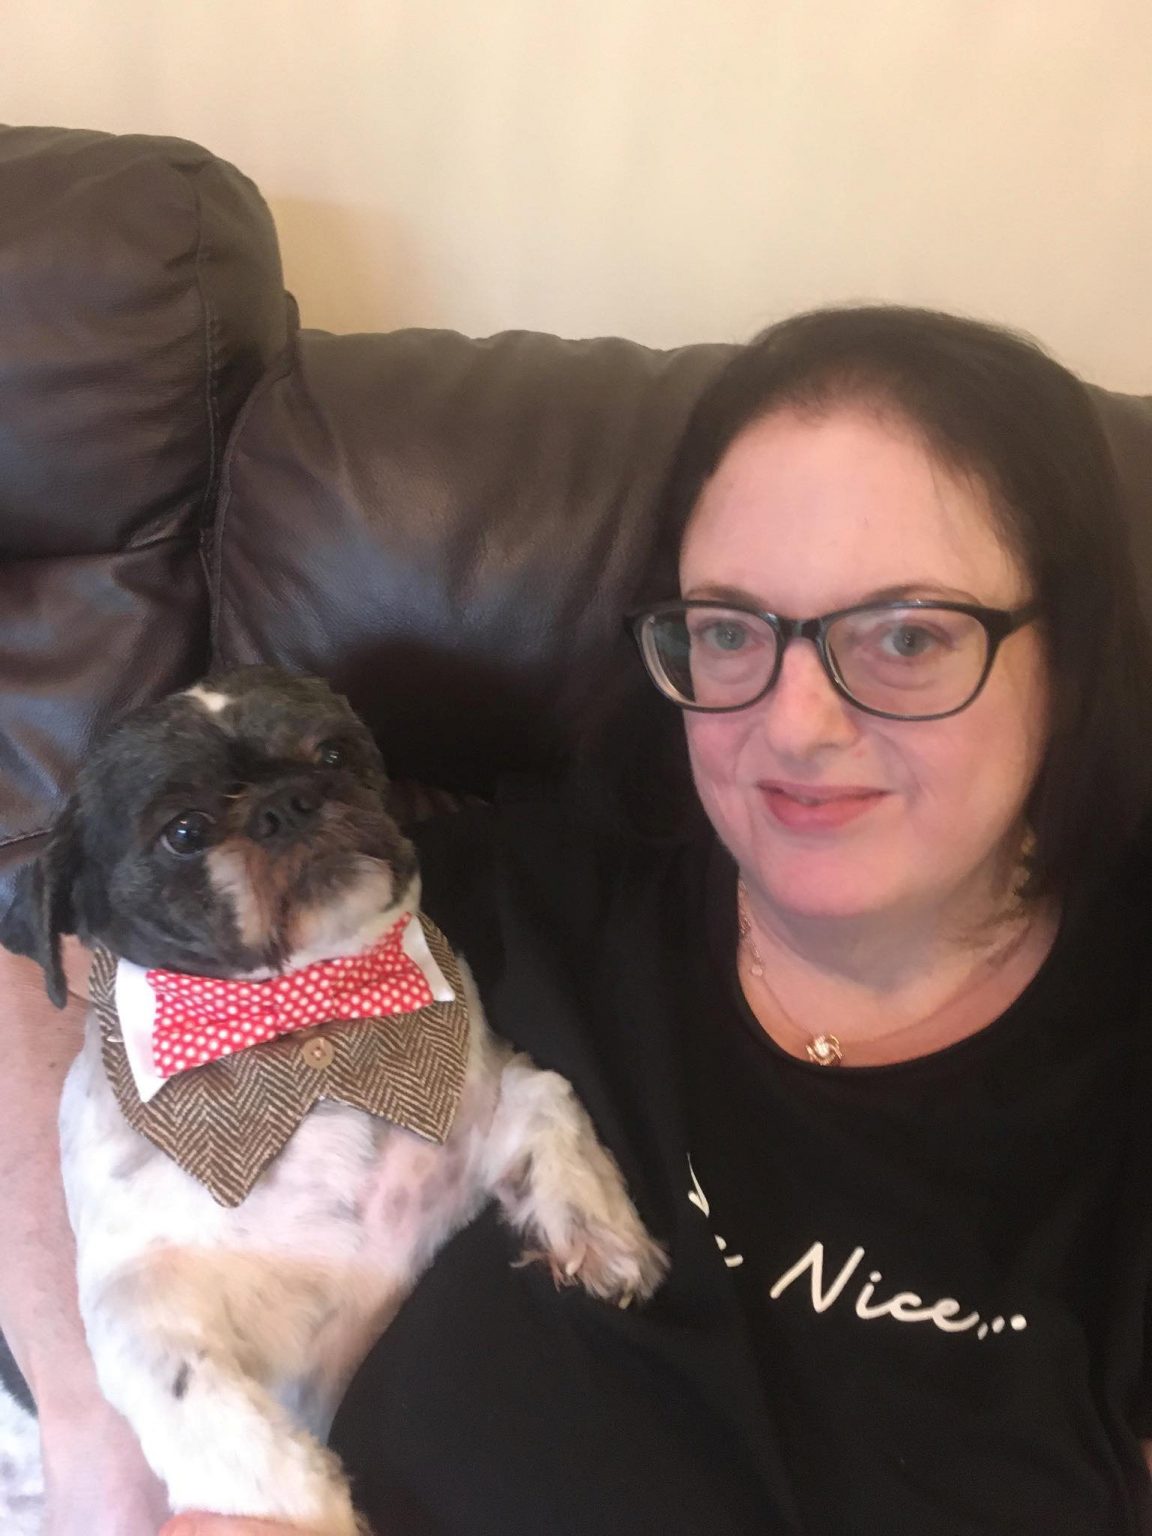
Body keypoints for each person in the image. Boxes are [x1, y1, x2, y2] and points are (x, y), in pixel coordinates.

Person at [5, 305, 1152, 1535]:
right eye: (730, 630)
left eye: (908, 635)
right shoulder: (526, 890)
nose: (797, 725)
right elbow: (34, 971)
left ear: (1071, 652)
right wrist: (107, 1434)